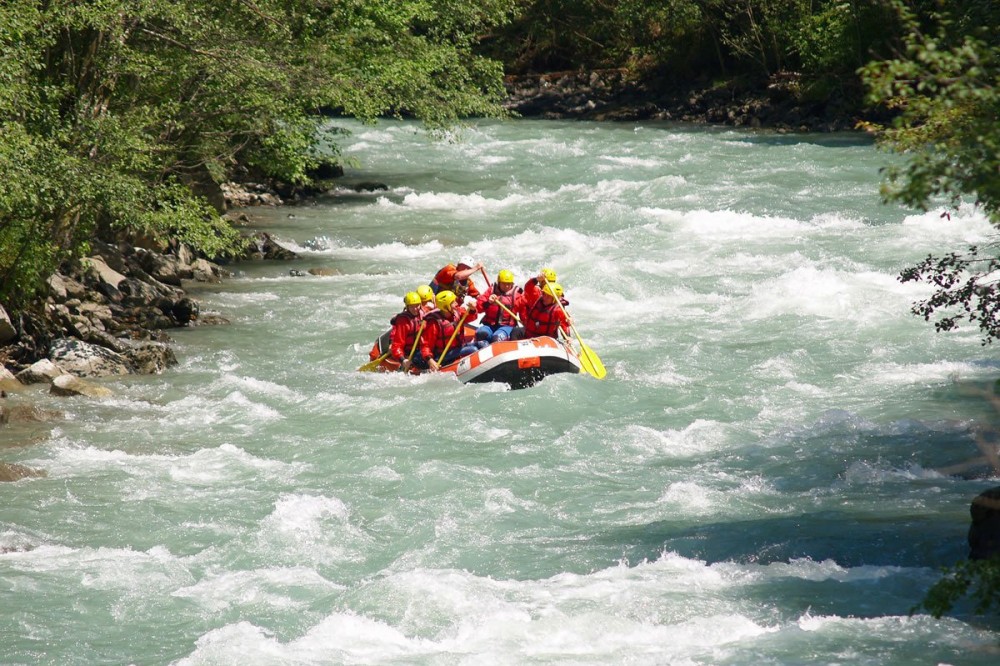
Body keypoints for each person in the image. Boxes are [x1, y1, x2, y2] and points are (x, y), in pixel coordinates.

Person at [420, 290, 478, 370]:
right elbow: (426, 345)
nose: (456, 304)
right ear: (445, 306)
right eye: (453, 302)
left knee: (483, 343)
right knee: (473, 349)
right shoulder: (434, 323)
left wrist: (472, 310)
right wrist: (430, 360)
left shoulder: (456, 312)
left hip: (459, 347)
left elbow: (472, 317)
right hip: (444, 354)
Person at [475, 269, 523, 346]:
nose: (506, 286)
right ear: (499, 283)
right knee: (481, 334)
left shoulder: (517, 294)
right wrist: (488, 302)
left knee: (496, 338)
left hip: (507, 326)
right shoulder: (491, 291)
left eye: (508, 284)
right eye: (504, 284)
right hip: (489, 325)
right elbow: (478, 307)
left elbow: (524, 311)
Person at [389, 292, 425, 372]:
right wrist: (402, 360)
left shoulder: (423, 315)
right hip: (408, 352)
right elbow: (397, 344)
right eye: (412, 306)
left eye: (417, 306)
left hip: (421, 349)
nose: (415, 309)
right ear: (407, 307)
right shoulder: (403, 321)